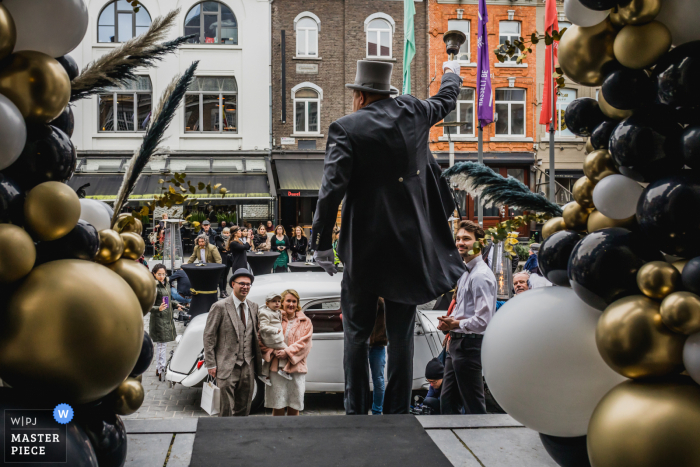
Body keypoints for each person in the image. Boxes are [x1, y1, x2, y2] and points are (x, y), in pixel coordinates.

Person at [310, 59, 466, 414]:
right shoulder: (413, 109)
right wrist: (451, 73)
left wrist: (320, 245)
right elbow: (446, 100)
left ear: (361, 96)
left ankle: (357, 411)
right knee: (401, 337)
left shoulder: (346, 129)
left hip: (364, 248)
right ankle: (397, 412)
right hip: (409, 246)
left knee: (357, 335)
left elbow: (331, 189)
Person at [437, 220, 497, 415]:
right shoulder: (465, 273)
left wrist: (456, 323)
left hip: (469, 345)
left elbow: (483, 321)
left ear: (479, 243)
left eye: (466, 239)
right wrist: (450, 322)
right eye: (458, 238)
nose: (460, 243)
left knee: (473, 403)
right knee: (447, 402)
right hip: (455, 344)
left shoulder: (480, 276)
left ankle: (479, 443)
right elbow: (464, 309)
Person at [203, 268, 262, 417]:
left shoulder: (254, 307)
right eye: (241, 283)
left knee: (244, 408)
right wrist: (211, 363)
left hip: (248, 366)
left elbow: (255, 333)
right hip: (226, 365)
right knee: (226, 410)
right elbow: (209, 336)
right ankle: (225, 437)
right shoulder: (220, 307)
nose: (245, 287)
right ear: (232, 284)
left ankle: (241, 436)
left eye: (248, 284)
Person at [260, 289, 313, 416]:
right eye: (288, 301)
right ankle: (277, 433)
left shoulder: (305, 322)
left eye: (294, 301)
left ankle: (293, 433)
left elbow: (305, 344)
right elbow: (262, 337)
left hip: (296, 368)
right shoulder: (274, 317)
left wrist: (287, 352)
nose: (291, 304)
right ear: (282, 303)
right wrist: (272, 351)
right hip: (276, 368)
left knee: (294, 405)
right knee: (277, 404)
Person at [150, 264, 183, 381]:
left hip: (167, 318)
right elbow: (148, 305)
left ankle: (159, 368)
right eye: (159, 274)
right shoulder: (153, 287)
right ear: (154, 274)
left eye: (163, 274)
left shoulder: (166, 283)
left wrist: (175, 304)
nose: (162, 276)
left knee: (163, 345)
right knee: (161, 346)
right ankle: (161, 369)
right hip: (158, 320)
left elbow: (167, 299)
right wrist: (157, 308)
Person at [257, 292, 292, 386]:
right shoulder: (265, 313)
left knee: (272, 357)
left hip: (275, 338)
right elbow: (263, 327)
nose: (277, 303)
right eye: (274, 301)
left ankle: (264, 374)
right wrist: (275, 330)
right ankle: (283, 369)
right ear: (267, 303)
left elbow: (279, 316)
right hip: (271, 339)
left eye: (278, 301)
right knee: (287, 350)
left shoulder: (277, 311)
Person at [369, 298, 387, 415]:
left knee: (378, 380)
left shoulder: (380, 299)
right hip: (376, 342)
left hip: (375, 342)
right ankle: (377, 411)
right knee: (378, 379)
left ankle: (377, 411)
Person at [217, 227, 232, 299]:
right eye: (225, 233)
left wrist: (226, 249)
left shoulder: (231, 239)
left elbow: (231, 248)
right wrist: (226, 248)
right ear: (222, 233)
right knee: (221, 276)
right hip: (222, 259)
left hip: (228, 259)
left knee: (226, 276)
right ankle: (221, 291)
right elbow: (220, 247)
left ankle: (225, 290)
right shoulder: (219, 238)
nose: (226, 234)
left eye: (227, 233)